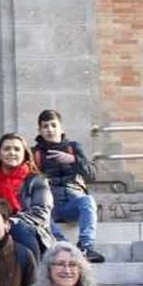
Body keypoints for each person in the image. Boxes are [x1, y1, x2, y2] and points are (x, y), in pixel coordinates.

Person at [32, 110, 105, 262]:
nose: (50, 130)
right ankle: (63, 246)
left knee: (88, 201)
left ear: (61, 129)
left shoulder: (73, 147)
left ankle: (86, 247)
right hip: (50, 204)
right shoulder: (35, 153)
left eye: (53, 125)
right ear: (40, 131)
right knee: (38, 214)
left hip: (72, 201)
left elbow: (93, 174)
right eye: (45, 126)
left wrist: (73, 159)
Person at [0, 133, 55, 255]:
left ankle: (32, 273)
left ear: (24, 154)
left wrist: (10, 222)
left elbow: (42, 213)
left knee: (20, 229)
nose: (12, 153)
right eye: (7, 149)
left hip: (27, 229)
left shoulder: (37, 181)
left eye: (17, 149)